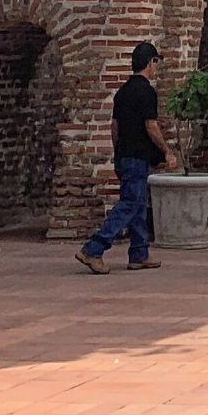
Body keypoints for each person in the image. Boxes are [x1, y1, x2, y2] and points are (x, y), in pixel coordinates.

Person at [78, 40, 177, 274]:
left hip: (124, 155)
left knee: (139, 204)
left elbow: (115, 127)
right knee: (130, 205)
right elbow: (151, 126)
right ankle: (93, 249)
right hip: (137, 156)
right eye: (156, 63)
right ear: (150, 63)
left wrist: (118, 151)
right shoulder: (146, 92)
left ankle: (139, 253)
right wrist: (166, 151)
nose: (156, 68)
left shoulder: (122, 92)